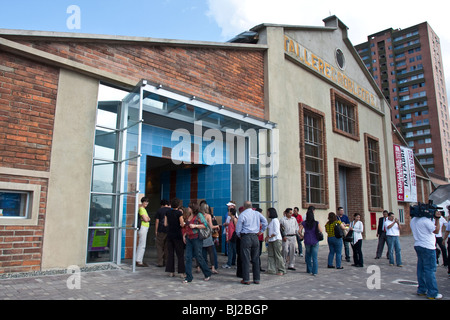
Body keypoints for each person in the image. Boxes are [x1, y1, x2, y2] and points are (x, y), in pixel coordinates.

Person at [410, 210, 443, 299]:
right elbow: (436, 231)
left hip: (418, 245)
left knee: (421, 269)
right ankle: (432, 293)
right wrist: (437, 219)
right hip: (428, 247)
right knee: (430, 270)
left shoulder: (413, 220)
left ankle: (421, 289)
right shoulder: (426, 221)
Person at [235, 201, 268, 285]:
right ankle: (256, 278)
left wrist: (239, 235)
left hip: (246, 236)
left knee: (245, 258)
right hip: (255, 236)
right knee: (255, 258)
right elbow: (265, 222)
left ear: (244, 206)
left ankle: (246, 279)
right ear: (251, 206)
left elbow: (238, 228)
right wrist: (261, 231)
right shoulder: (257, 213)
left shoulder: (242, 214)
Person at [183, 202, 212, 283]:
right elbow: (187, 227)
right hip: (189, 238)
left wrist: (195, 226)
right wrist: (184, 234)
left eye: (189, 207)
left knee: (198, 256)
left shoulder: (199, 215)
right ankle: (188, 277)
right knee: (188, 257)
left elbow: (205, 225)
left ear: (192, 208)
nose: (188, 209)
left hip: (196, 238)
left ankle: (207, 273)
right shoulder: (189, 216)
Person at [164, 198, 186, 277]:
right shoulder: (179, 213)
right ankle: (181, 272)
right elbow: (182, 224)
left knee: (170, 253)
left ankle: (171, 272)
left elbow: (165, 224)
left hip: (169, 234)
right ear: (178, 205)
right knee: (180, 254)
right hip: (177, 234)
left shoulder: (167, 212)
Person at [299, 206, 321, 276]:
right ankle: (315, 271)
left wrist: (302, 235)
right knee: (314, 257)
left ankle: (309, 269)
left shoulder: (304, 223)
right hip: (315, 240)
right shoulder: (316, 223)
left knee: (308, 255)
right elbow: (321, 230)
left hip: (307, 239)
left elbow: (299, 230)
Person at [200, 202, 219, 274]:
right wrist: (216, 226)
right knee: (211, 252)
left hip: (201, 235)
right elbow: (210, 226)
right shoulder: (208, 216)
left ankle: (203, 267)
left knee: (203, 252)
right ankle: (213, 268)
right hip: (207, 235)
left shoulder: (199, 216)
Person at [265, 207, 285, 276]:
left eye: (268, 212)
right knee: (271, 255)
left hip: (276, 240)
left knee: (278, 255)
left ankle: (281, 269)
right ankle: (271, 269)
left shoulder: (275, 220)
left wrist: (269, 236)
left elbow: (276, 232)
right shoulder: (272, 221)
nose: (267, 214)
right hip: (271, 240)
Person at [155, 199, 170, 267]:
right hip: (169, 230)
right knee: (167, 247)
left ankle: (160, 262)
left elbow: (157, 221)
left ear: (162, 205)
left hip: (161, 230)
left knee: (159, 246)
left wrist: (156, 230)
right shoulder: (170, 210)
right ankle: (167, 262)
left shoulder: (159, 210)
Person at [136, 197, 150, 267]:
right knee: (142, 244)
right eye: (145, 202)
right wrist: (147, 218)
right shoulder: (141, 209)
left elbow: (147, 219)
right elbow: (146, 219)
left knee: (141, 244)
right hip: (143, 227)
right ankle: (139, 261)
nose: (146, 203)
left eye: (147, 202)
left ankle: (138, 259)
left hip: (144, 227)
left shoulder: (143, 209)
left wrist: (147, 219)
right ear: (142, 202)